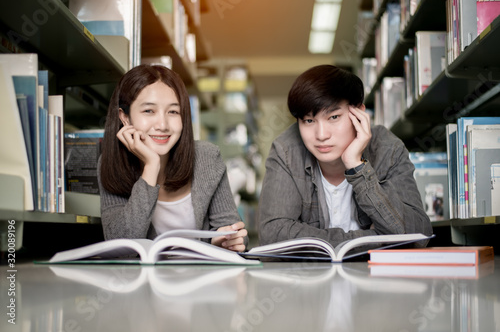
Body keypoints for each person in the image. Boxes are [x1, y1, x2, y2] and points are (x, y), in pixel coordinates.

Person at [258, 65, 432, 248]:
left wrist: (357, 167)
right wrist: (372, 237)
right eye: (309, 121)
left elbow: (418, 235)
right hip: (308, 275)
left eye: (333, 117)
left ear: (358, 114)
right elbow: (273, 234)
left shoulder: (387, 149)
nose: (322, 135)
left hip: (374, 275)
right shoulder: (286, 151)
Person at [98, 64, 247, 252]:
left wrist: (227, 241)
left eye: (173, 112)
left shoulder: (207, 158)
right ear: (125, 118)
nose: (162, 125)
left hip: (202, 279)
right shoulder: (111, 164)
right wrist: (151, 166)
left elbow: (236, 234)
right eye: (149, 111)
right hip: (140, 281)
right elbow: (120, 249)